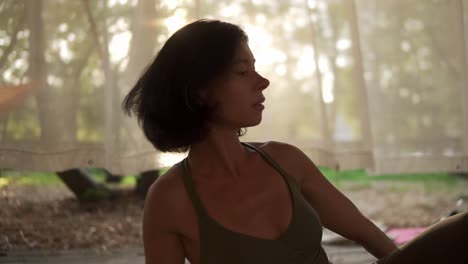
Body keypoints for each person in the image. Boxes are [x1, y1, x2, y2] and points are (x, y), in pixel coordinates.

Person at [122, 19, 468, 264]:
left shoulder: (285, 160)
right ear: (198, 91)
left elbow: (365, 232)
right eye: (243, 72)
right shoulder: (170, 200)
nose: (263, 82)